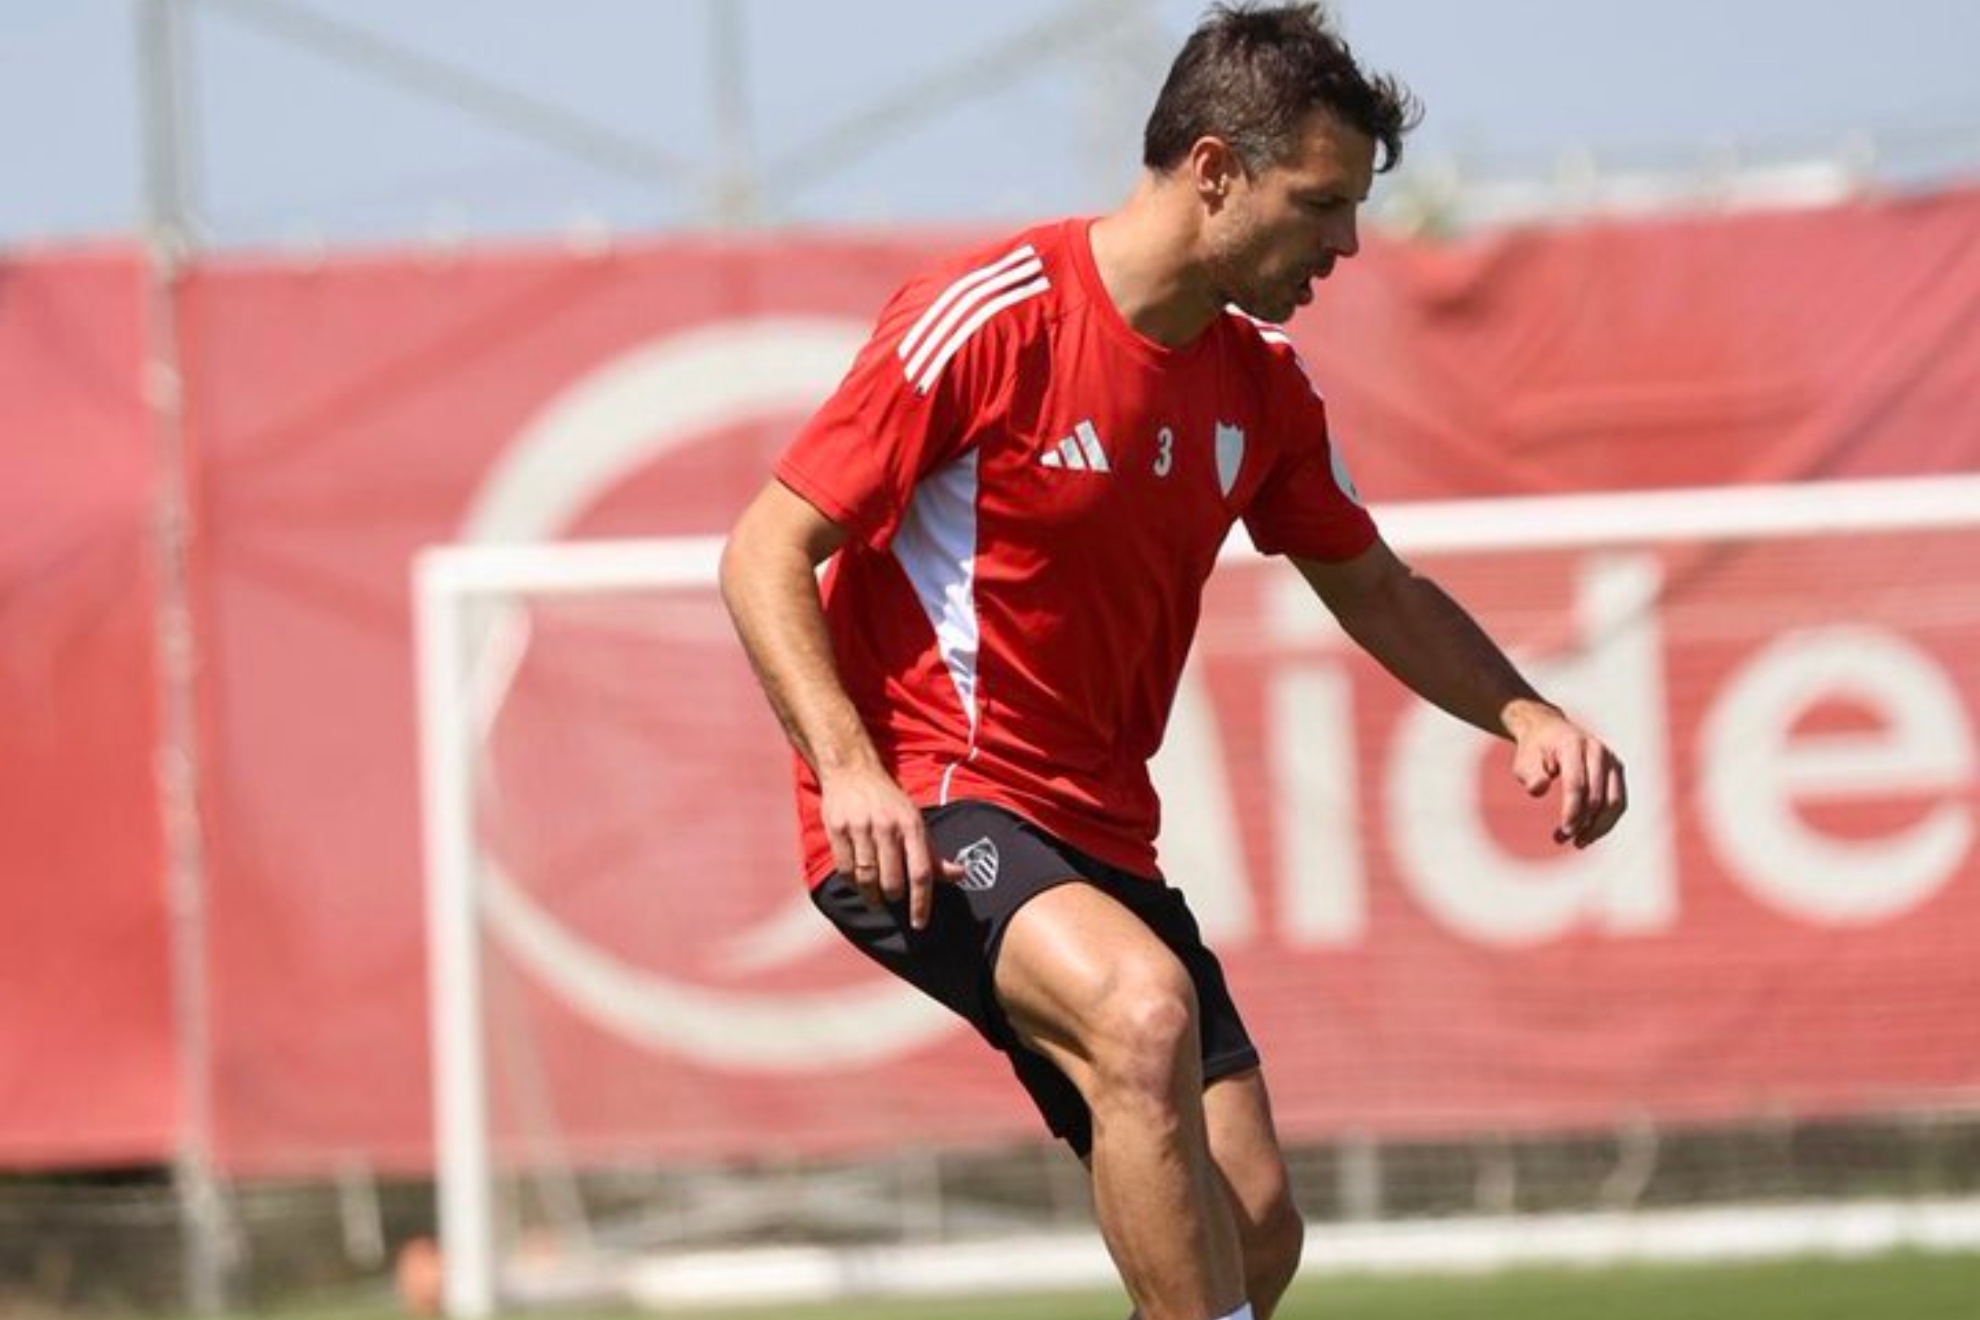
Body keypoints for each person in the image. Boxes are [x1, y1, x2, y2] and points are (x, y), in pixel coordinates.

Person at [719, 5, 1627, 1318]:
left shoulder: (1263, 386)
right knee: (1142, 1015)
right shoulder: (991, 319)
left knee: (1251, 1229)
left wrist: (1523, 712)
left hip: (1104, 833)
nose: (1347, 244)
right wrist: (849, 768)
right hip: (928, 800)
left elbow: (1373, 584)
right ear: (1214, 171)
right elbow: (764, 550)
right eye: (1321, 204)